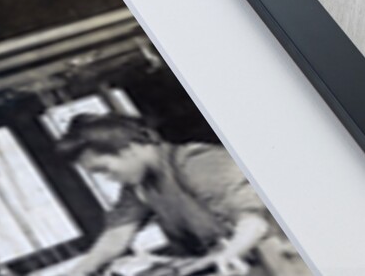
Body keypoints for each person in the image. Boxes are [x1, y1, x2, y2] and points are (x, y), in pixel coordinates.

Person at [57, 113, 306, 276]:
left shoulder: (196, 162)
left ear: (129, 148)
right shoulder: (139, 186)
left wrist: (231, 253)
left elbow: (253, 219)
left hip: (283, 259)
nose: (106, 178)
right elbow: (117, 234)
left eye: (104, 169)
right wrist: (79, 271)